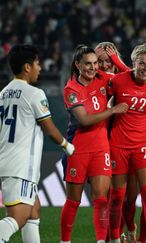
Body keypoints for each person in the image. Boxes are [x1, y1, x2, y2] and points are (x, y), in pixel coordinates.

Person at [0, 44, 74, 242]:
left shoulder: (3, 94)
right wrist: (68, 147)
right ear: (26, 67)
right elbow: (49, 128)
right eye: (37, 63)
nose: (40, 68)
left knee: (34, 211)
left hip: (9, 161)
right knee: (18, 218)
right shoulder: (34, 94)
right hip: (21, 166)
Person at [60, 45, 128, 243]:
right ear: (77, 65)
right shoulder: (71, 89)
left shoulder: (103, 78)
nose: (92, 67)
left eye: (95, 63)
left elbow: (129, 76)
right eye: (87, 64)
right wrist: (113, 111)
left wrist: (115, 60)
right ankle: (64, 241)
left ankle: (101, 241)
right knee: (73, 201)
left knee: (101, 200)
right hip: (77, 150)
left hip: (100, 149)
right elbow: (85, 120)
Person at [108, 43, 146, 243]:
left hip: (143, 145)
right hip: (118, 145)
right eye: (142, 63)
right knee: (117, 197)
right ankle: (116, 237)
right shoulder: (117, 81)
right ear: (133, 63)